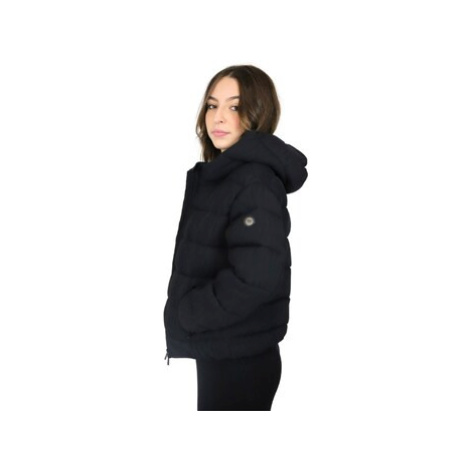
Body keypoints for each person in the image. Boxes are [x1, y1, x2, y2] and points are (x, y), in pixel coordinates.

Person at [163, 65, 308, 411]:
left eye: (235, 106)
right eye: (213, 105)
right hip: (225, 349)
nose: (219, 116)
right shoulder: (228, 176)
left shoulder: (254, 181)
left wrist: (190, 312)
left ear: (259, 113)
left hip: (241, 360)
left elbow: (256, 276)